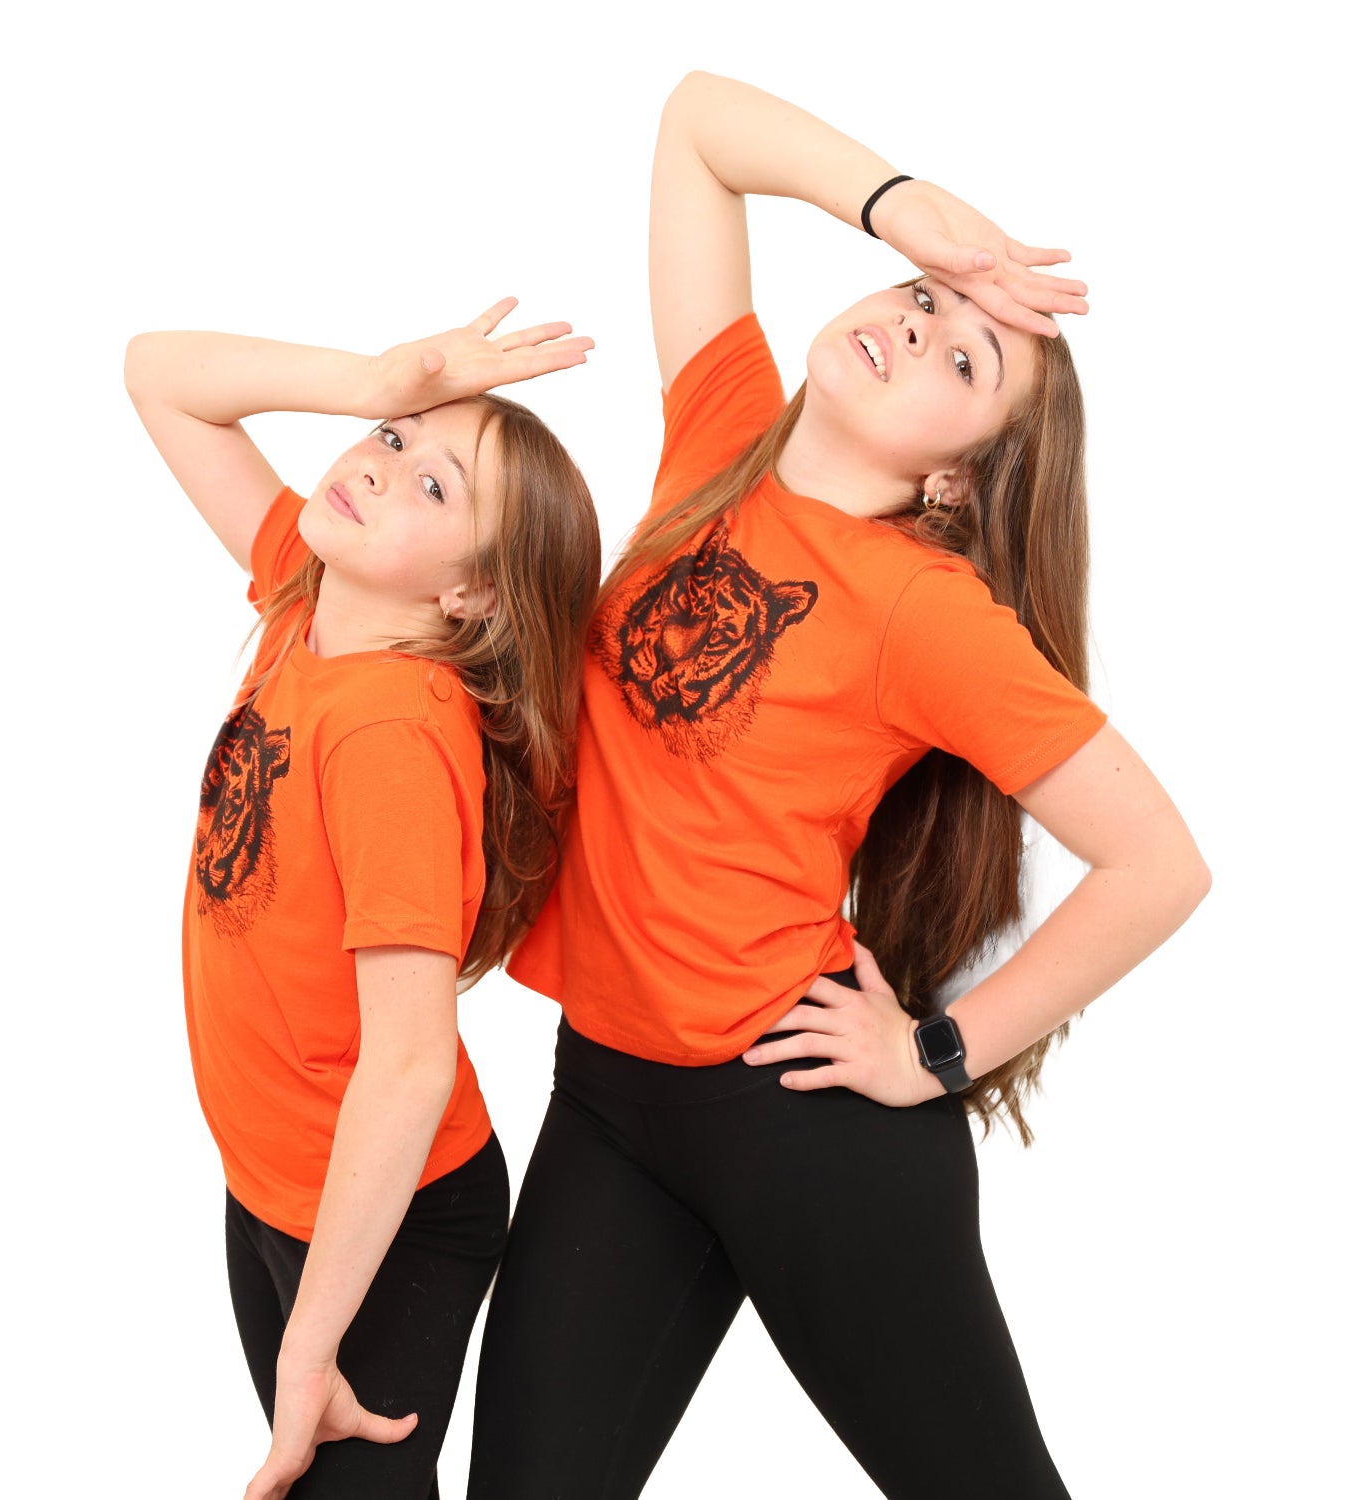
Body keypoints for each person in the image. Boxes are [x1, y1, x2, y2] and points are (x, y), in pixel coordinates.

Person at [467, 74, 1210, 1499]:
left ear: (961, 482)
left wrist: (935, 1053)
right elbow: (695, 124)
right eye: (921, 298)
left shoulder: (925, 611)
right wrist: (906, 206)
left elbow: (1159, 864)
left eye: (966, 360)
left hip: (803, 1121)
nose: (918, 323)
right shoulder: (722, 434)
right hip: (611, 1100)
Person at [124, 300, 601, 1500]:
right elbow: (160, 372)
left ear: (472, 601)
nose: (381, 471)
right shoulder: (311, 599)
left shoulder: (392, 728)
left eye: (436, 492)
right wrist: (382, 375)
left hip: (390, 1222)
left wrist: (311, 1346)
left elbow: (409, 1065)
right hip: (275, 1183)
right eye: (394, 440)